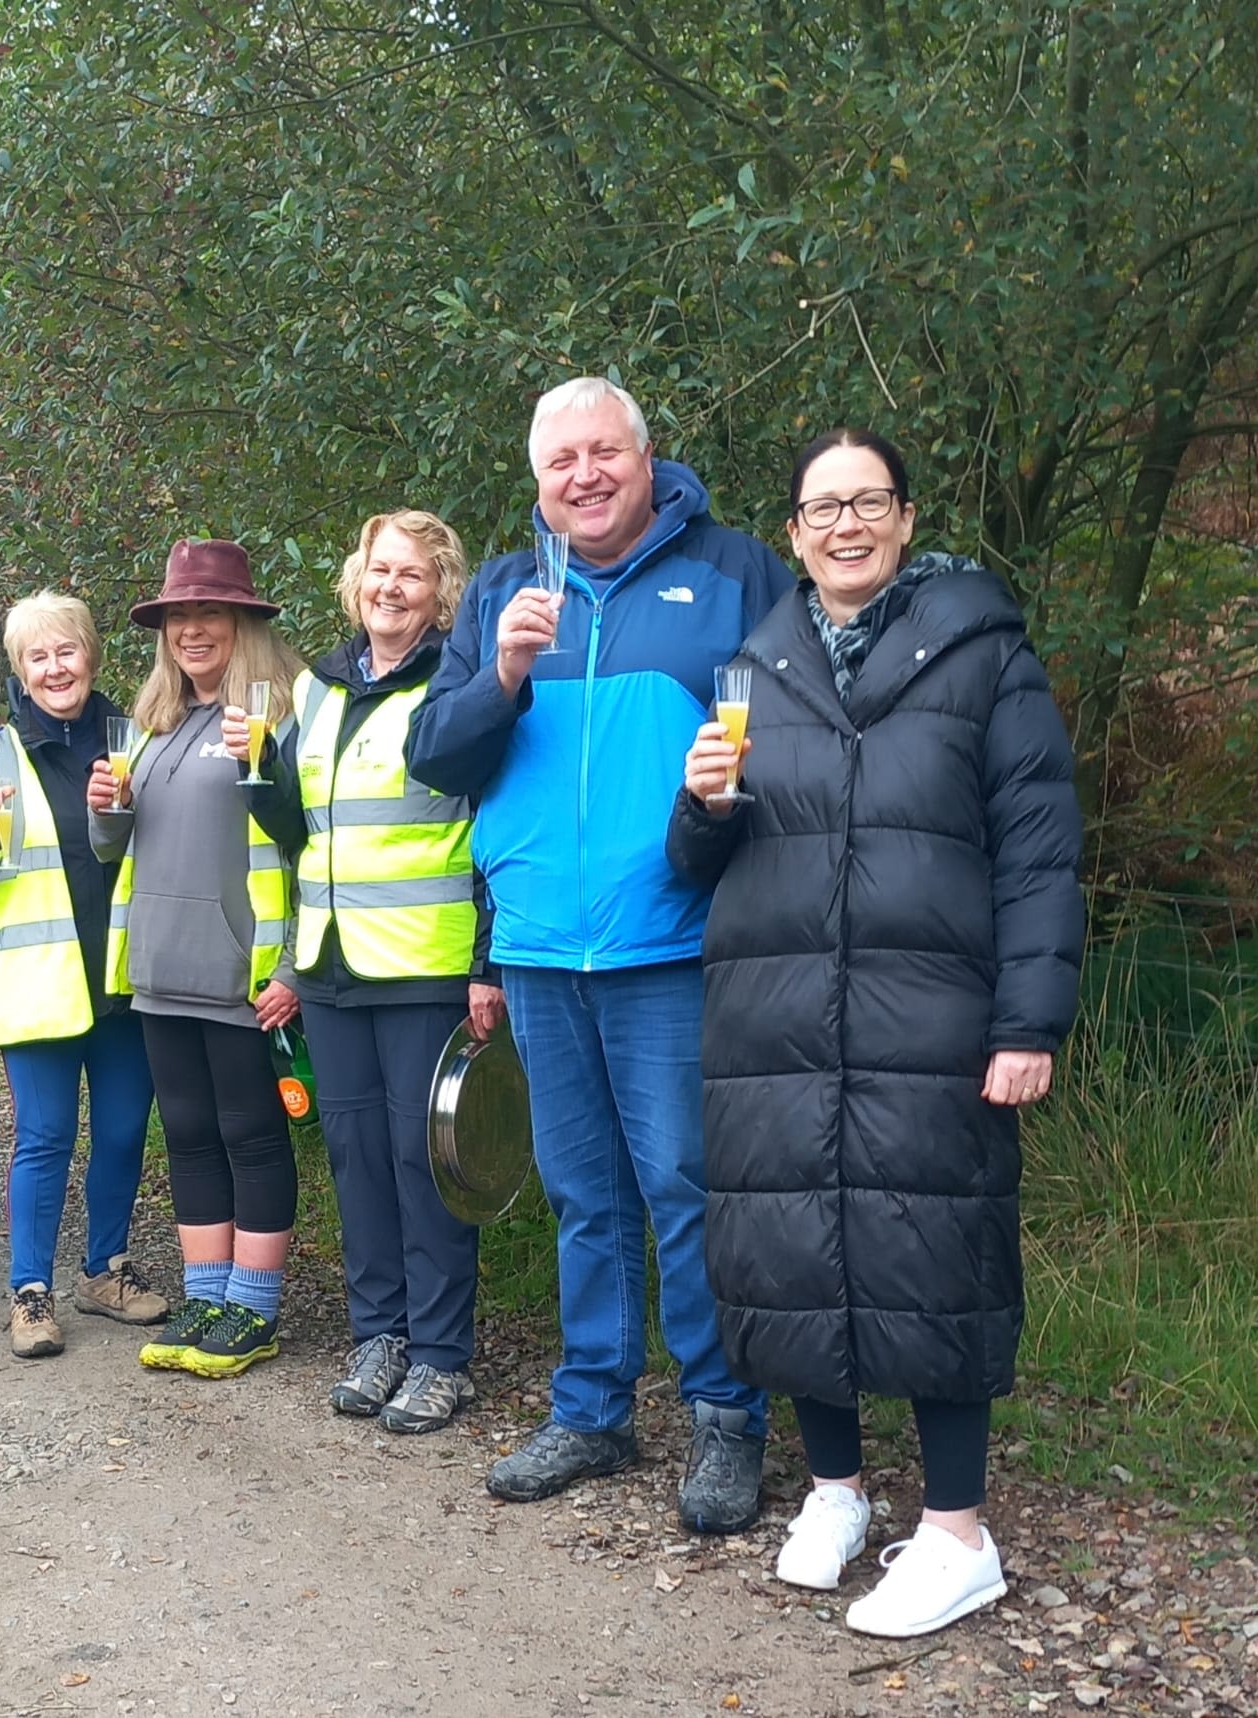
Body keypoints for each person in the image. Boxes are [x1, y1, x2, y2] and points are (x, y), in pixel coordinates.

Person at [666, 428, 1084, 1637]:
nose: (843, 524)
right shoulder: (753, 662)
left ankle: (957, 1531)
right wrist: (700, 806)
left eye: (867, 501)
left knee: (934, 1254)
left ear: (904, 518)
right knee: (795, 1247)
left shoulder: (982, 652)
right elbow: (694, 856)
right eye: (819, 508)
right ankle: (835, 1491)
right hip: (776, 1009)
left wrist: (1028, 1017)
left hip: (929, 1012)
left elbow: (1041, 850)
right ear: (792, 533)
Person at [405, 376, 793, 1532]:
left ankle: (726, 1413)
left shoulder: (732, 573)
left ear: (644, 456)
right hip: (536, 944)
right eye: (559, 461)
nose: (582, 475)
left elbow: (785, 738)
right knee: (582, 1192)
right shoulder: (498, 591)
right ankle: (592, 1408)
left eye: (600, 454)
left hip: (676, 935)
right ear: (536, 482)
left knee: (682, 1184)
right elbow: (436, 753)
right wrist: (502, 675)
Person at [231, 510, 500, 1432]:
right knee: (353, 1162)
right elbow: (307, 836)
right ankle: (377, 1336)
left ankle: (439, 1356)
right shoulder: (314, 692)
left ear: (441, 596)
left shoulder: (459, 688)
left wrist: (485, 961)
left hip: (425, 967)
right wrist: (260, 776)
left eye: (412, 576)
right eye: (379, 570)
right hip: (332, 967)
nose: (390, 587)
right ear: (355, 581)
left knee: (425, 1164)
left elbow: (491, 834)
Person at [0, 592, 164, 1357]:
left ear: (91, 656)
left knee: (125, 1131)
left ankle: (105, 1270)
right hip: (39, 987)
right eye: (38, 657)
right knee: (46, 1138)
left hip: (126, 979)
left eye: (67, 652)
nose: (56, 668)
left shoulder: (140, 740)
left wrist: (125, 809)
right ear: (19, 672)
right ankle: (31, 1292)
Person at [88, 539, 305, 1380]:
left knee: (251, 1137)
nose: (191, 631)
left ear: (242, 621)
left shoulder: (282, 715)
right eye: (178, 617)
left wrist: (290, 968)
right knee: (185, 1138)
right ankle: (207, 1297)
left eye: (208, 613)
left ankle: (254, 1310)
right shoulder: (152, 724)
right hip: (158, 970)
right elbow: (119, 848)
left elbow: (305, 849)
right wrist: (105, 811)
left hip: (240, 973)